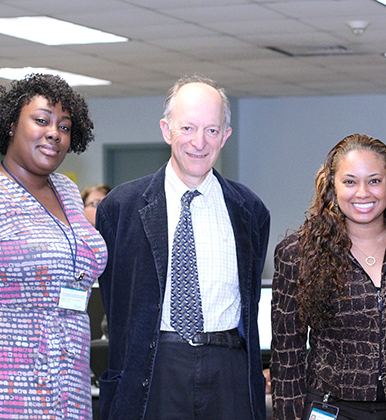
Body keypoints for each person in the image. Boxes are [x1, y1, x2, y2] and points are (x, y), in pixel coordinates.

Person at [95, 75, 270, 420]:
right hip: (154, 369)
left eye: (211, 130)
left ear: (226, 136)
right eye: (187, 128)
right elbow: (116, 300)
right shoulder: (121, 207)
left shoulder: (250, 210)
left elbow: (250, 298)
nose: (199, 142)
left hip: (229, 372)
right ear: (166, 130)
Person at [0, 73, 107, 419]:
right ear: (11, 125)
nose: (54, 133)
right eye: (41, 120)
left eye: (65, 126)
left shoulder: (68, 193)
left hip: (68, 375)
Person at [271, 134, 386, 420]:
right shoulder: (297, 253)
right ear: (332, 188)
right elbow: (287, 354)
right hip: (330, 407)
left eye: (374, 180)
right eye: (349, 181)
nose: (362, 192)